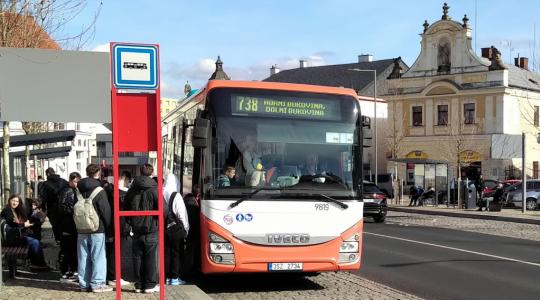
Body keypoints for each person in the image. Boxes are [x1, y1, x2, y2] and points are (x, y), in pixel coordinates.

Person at [76, 164, 113, 293]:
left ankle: (84, 284)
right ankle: (97, 283)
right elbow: (105, 211)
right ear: (98, 173)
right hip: (97, 228)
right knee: (98, 256)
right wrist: (109, 229)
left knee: (83, 257)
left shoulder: (78, 189)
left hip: (81, 228)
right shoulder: (99, 190)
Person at [125, 164, 160, 294]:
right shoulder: (154, 188)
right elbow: (163, 208)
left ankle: (139, 284)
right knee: (150, 256)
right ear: (152, 173)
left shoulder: (132, 188)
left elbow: (125, 205)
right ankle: (150, 285)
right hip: (151, 227)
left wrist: (131, 221)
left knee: (137, 256)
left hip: (136, 227)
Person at [1, 195, 49, 270]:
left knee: (34, 238)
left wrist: (29, 222)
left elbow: (23, 219)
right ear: (9, 200)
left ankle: (35, 262)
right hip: (10, 238)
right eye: (13, 201)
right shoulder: (7, 211)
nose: (14, 203)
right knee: (35, 242)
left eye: (17, 201)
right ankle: (39, 264)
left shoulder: (15, 210)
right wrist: (24, 224)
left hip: (15, 235)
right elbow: (12, 223)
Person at [163, 174, 189, 285]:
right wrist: (186, 228)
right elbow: (182, 214)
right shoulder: (176, 195)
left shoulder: (161, 192)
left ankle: (166, 276)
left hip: (163, 227)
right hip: (175, 229)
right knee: (176, 253)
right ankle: (174, 277)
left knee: (166, 252)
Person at [58, 172, 81, 283]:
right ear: (71, 181)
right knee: (68, 249)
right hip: (68, 225)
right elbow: (62, 208)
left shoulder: (73, 191)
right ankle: (66, 271)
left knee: (71, 248)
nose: (77, 184)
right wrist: (74, 210)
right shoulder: (67, 191)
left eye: (78, 181)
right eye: (75, 181)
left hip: (70, 224)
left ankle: (70, 270)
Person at [39, 167, 68, 243]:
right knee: (62, 222)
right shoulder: (63, 181)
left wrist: (43, 208)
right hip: (63, 206)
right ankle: (63, 237)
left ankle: (58, 239)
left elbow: (43, 197)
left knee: (55, 224)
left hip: (52, 207)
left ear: (48, 174)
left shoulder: (45, 184)